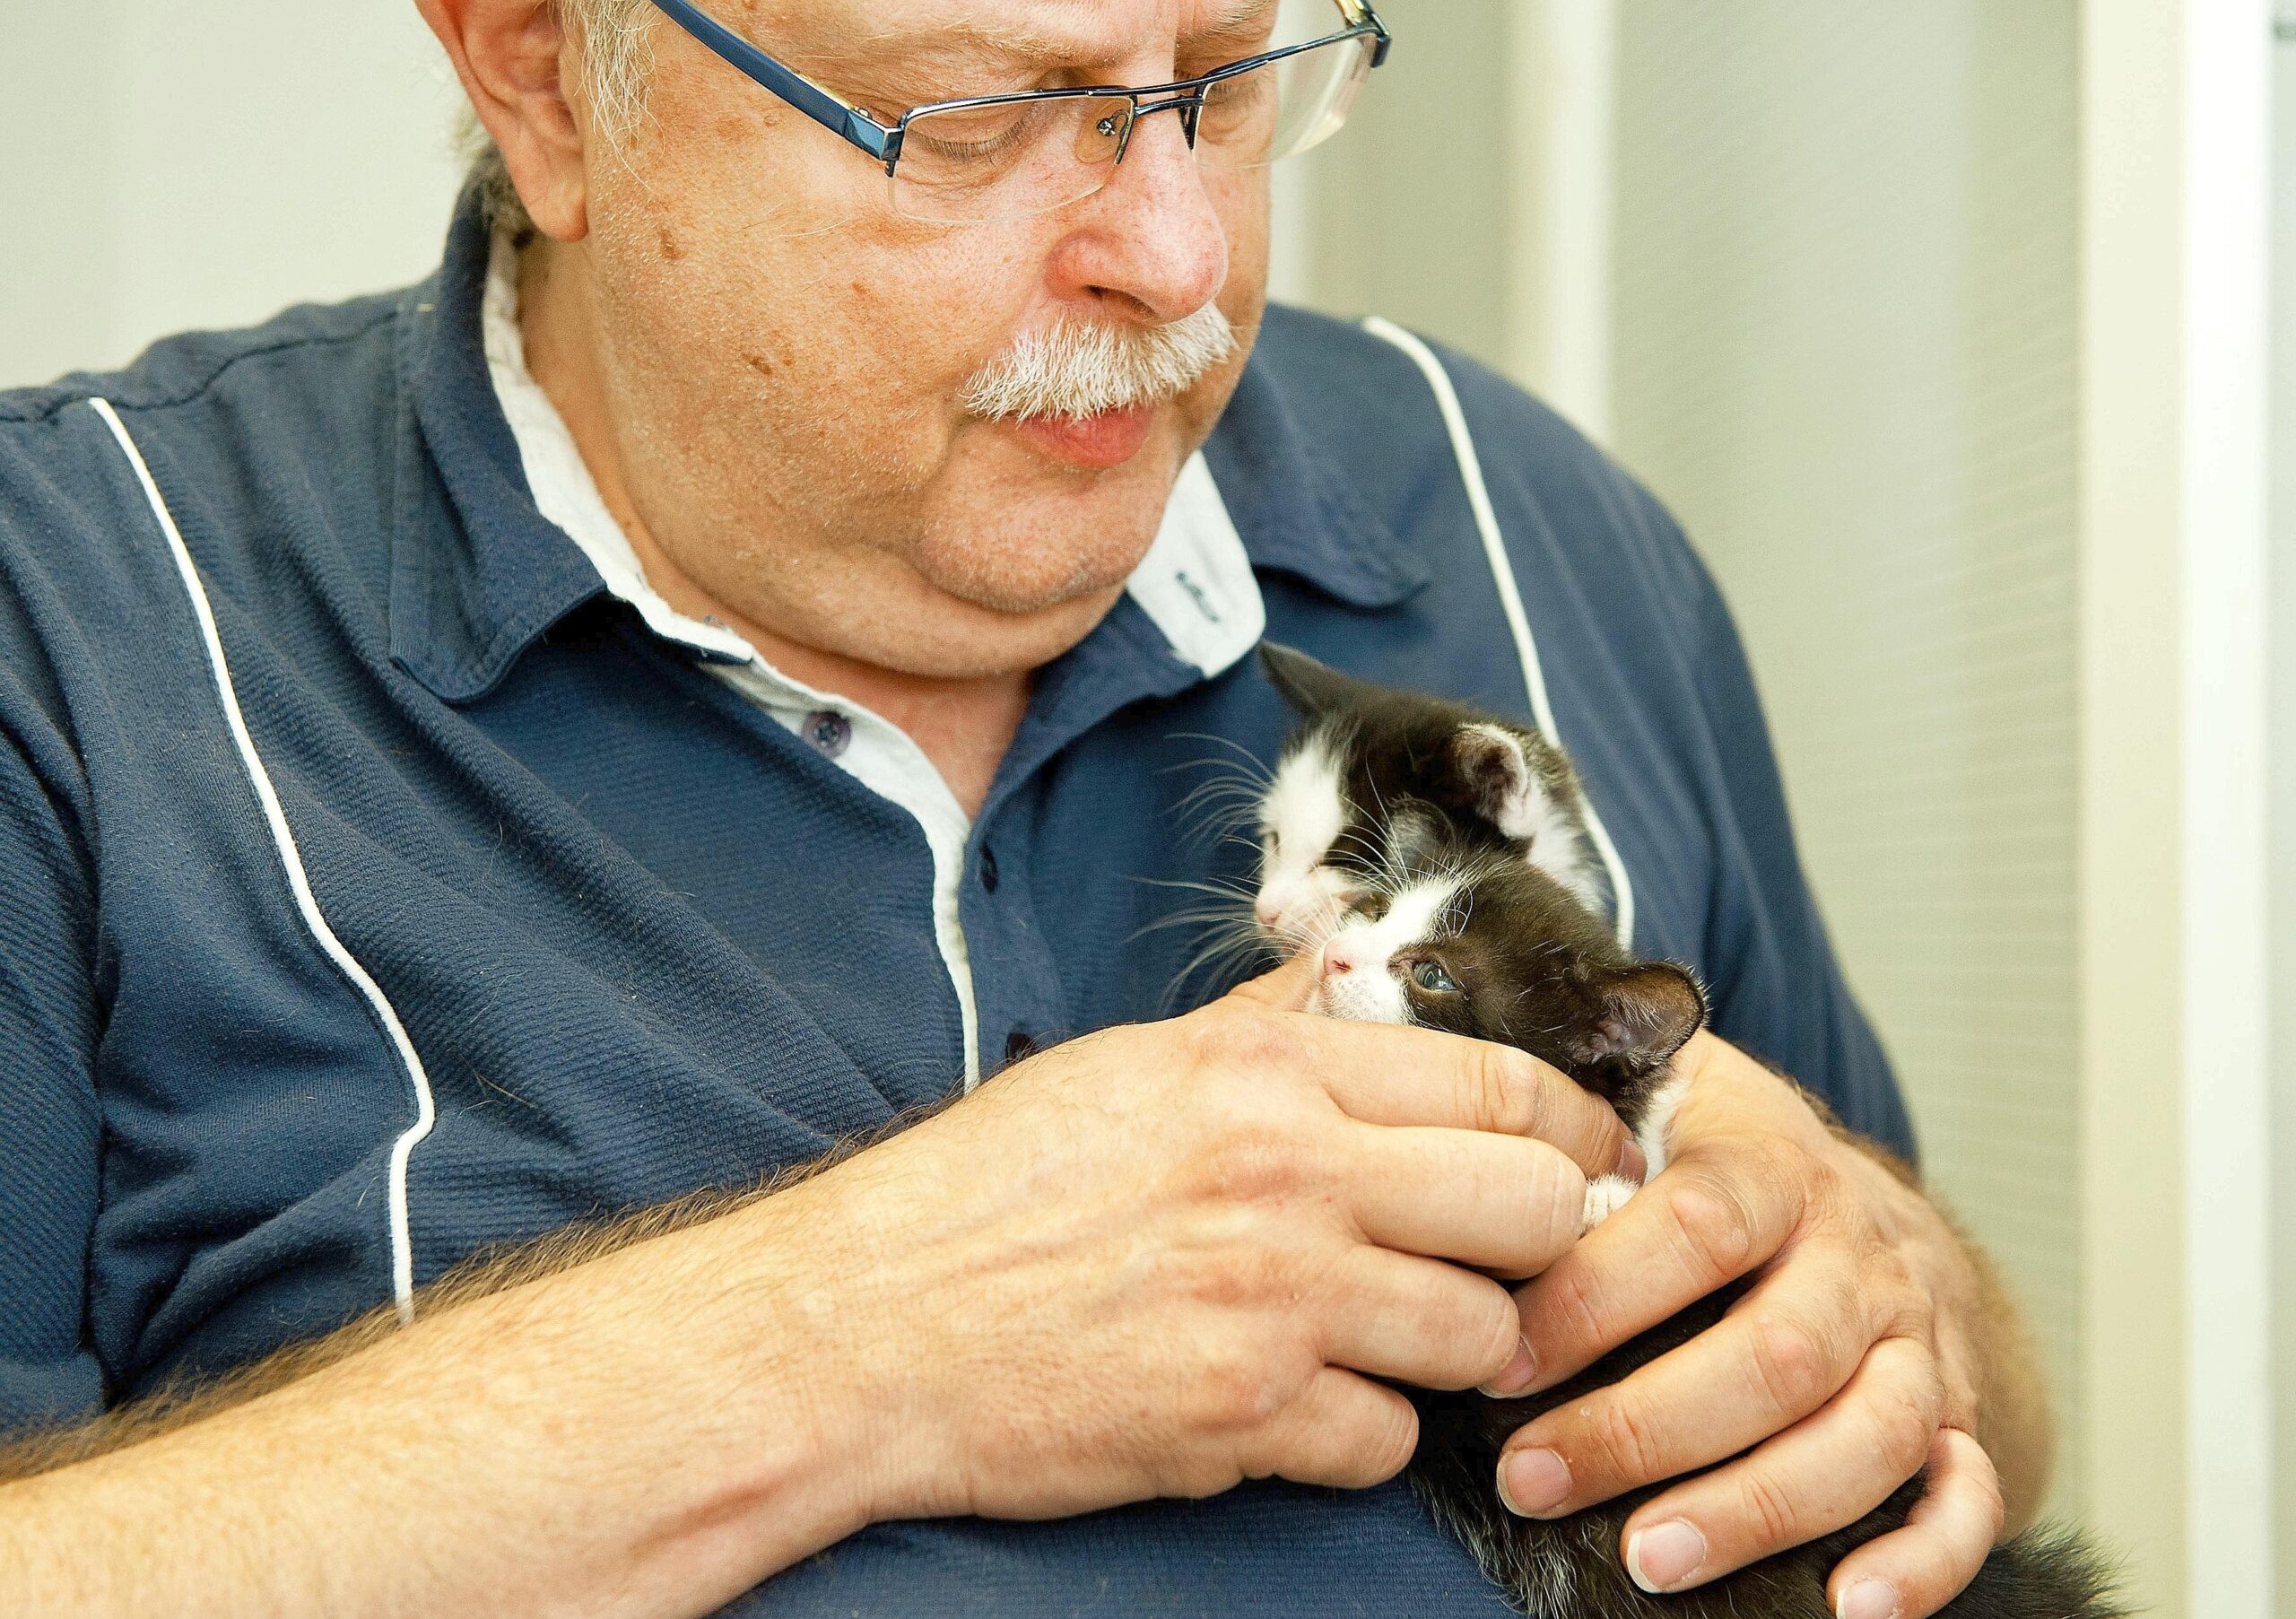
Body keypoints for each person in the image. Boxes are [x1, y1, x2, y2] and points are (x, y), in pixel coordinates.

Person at [0, 2, 2049, 1615]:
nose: (1175, 258)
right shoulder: (74, 626)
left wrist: (1893, 1302)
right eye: (976, 111)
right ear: (543, 69)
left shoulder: (1529, 516)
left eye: (1229, 73)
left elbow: (1985, 1435)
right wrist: (861, 1338)